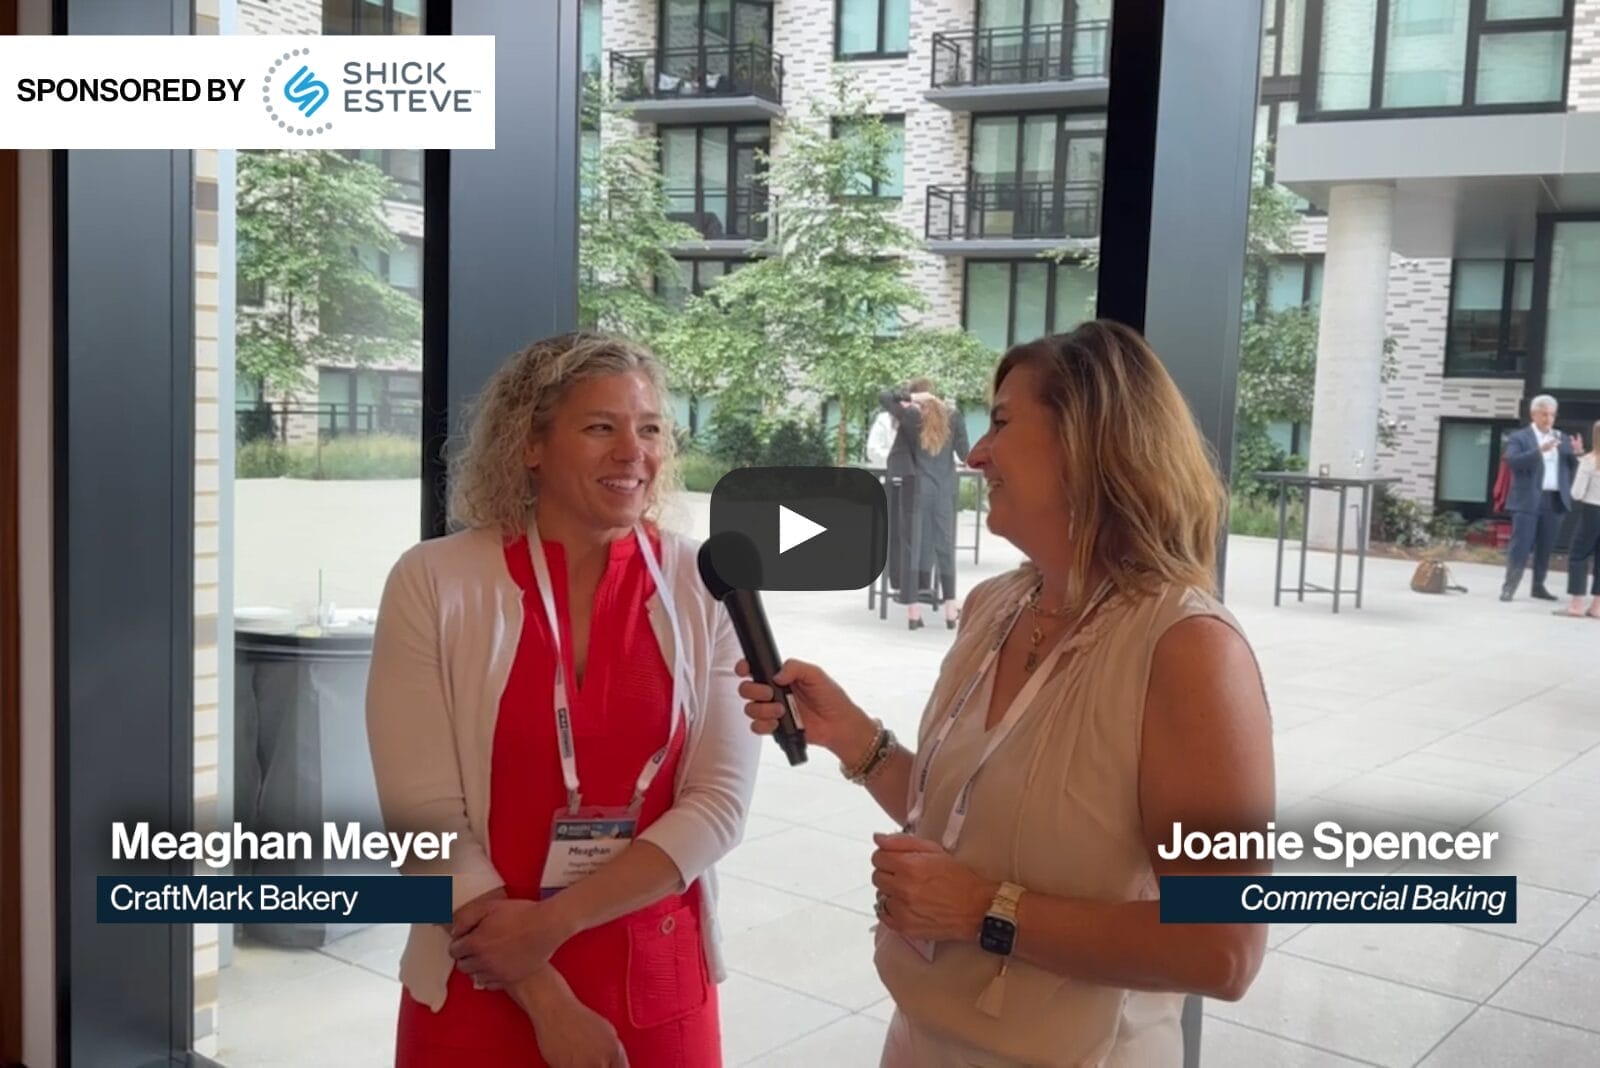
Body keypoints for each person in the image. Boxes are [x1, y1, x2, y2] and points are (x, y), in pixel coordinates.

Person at [741, 322, 1273, 1066]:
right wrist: (856, 739)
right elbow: (968, 827)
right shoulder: (996, 607)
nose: (974, 453)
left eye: (1000, 422)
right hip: (922, 1041)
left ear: (1088, 441)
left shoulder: (1188, 650)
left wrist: (985, 912)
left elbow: (1223, 949)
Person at [366, 332, 758, 1067]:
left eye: (649, 429)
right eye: (600, 427)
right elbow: (420, 820)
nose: (632, 452)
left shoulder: (706, 581)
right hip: (478, 976)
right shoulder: (434, 582)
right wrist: (544, 994)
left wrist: (554, 924)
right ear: (531, 445)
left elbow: (719, 803)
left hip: (656, 984)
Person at [880, 378, 971, 630]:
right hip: (945, 491)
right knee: (945, 547)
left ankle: (913, 612)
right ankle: (950, 610)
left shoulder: (911, 417)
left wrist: (911, 398)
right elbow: (965, 454)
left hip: (917, 489)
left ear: (917, 397)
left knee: (912, 546)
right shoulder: (954, 417)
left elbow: (885, 396)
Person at [1500, 395, 1581, 602]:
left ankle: (1539, 586)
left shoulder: (1561, 437)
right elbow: (1513, 462)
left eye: (1552, 415)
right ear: (1533, 414)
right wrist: (1539, 451)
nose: (1548, 419)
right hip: (1528, 500)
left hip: (1553, 499)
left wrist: (1578, 453)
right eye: (1544, 414)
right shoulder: (1520, 437)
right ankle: (1509, 586)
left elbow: (1574, 467)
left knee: (1546, 546)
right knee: (1521, 545)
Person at [1558, 420, 1600, 618]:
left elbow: (1576, 493)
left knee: (1578, 555)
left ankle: (1576, 604)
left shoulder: (1590, 461)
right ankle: (1597, 606)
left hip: (1592, 512)